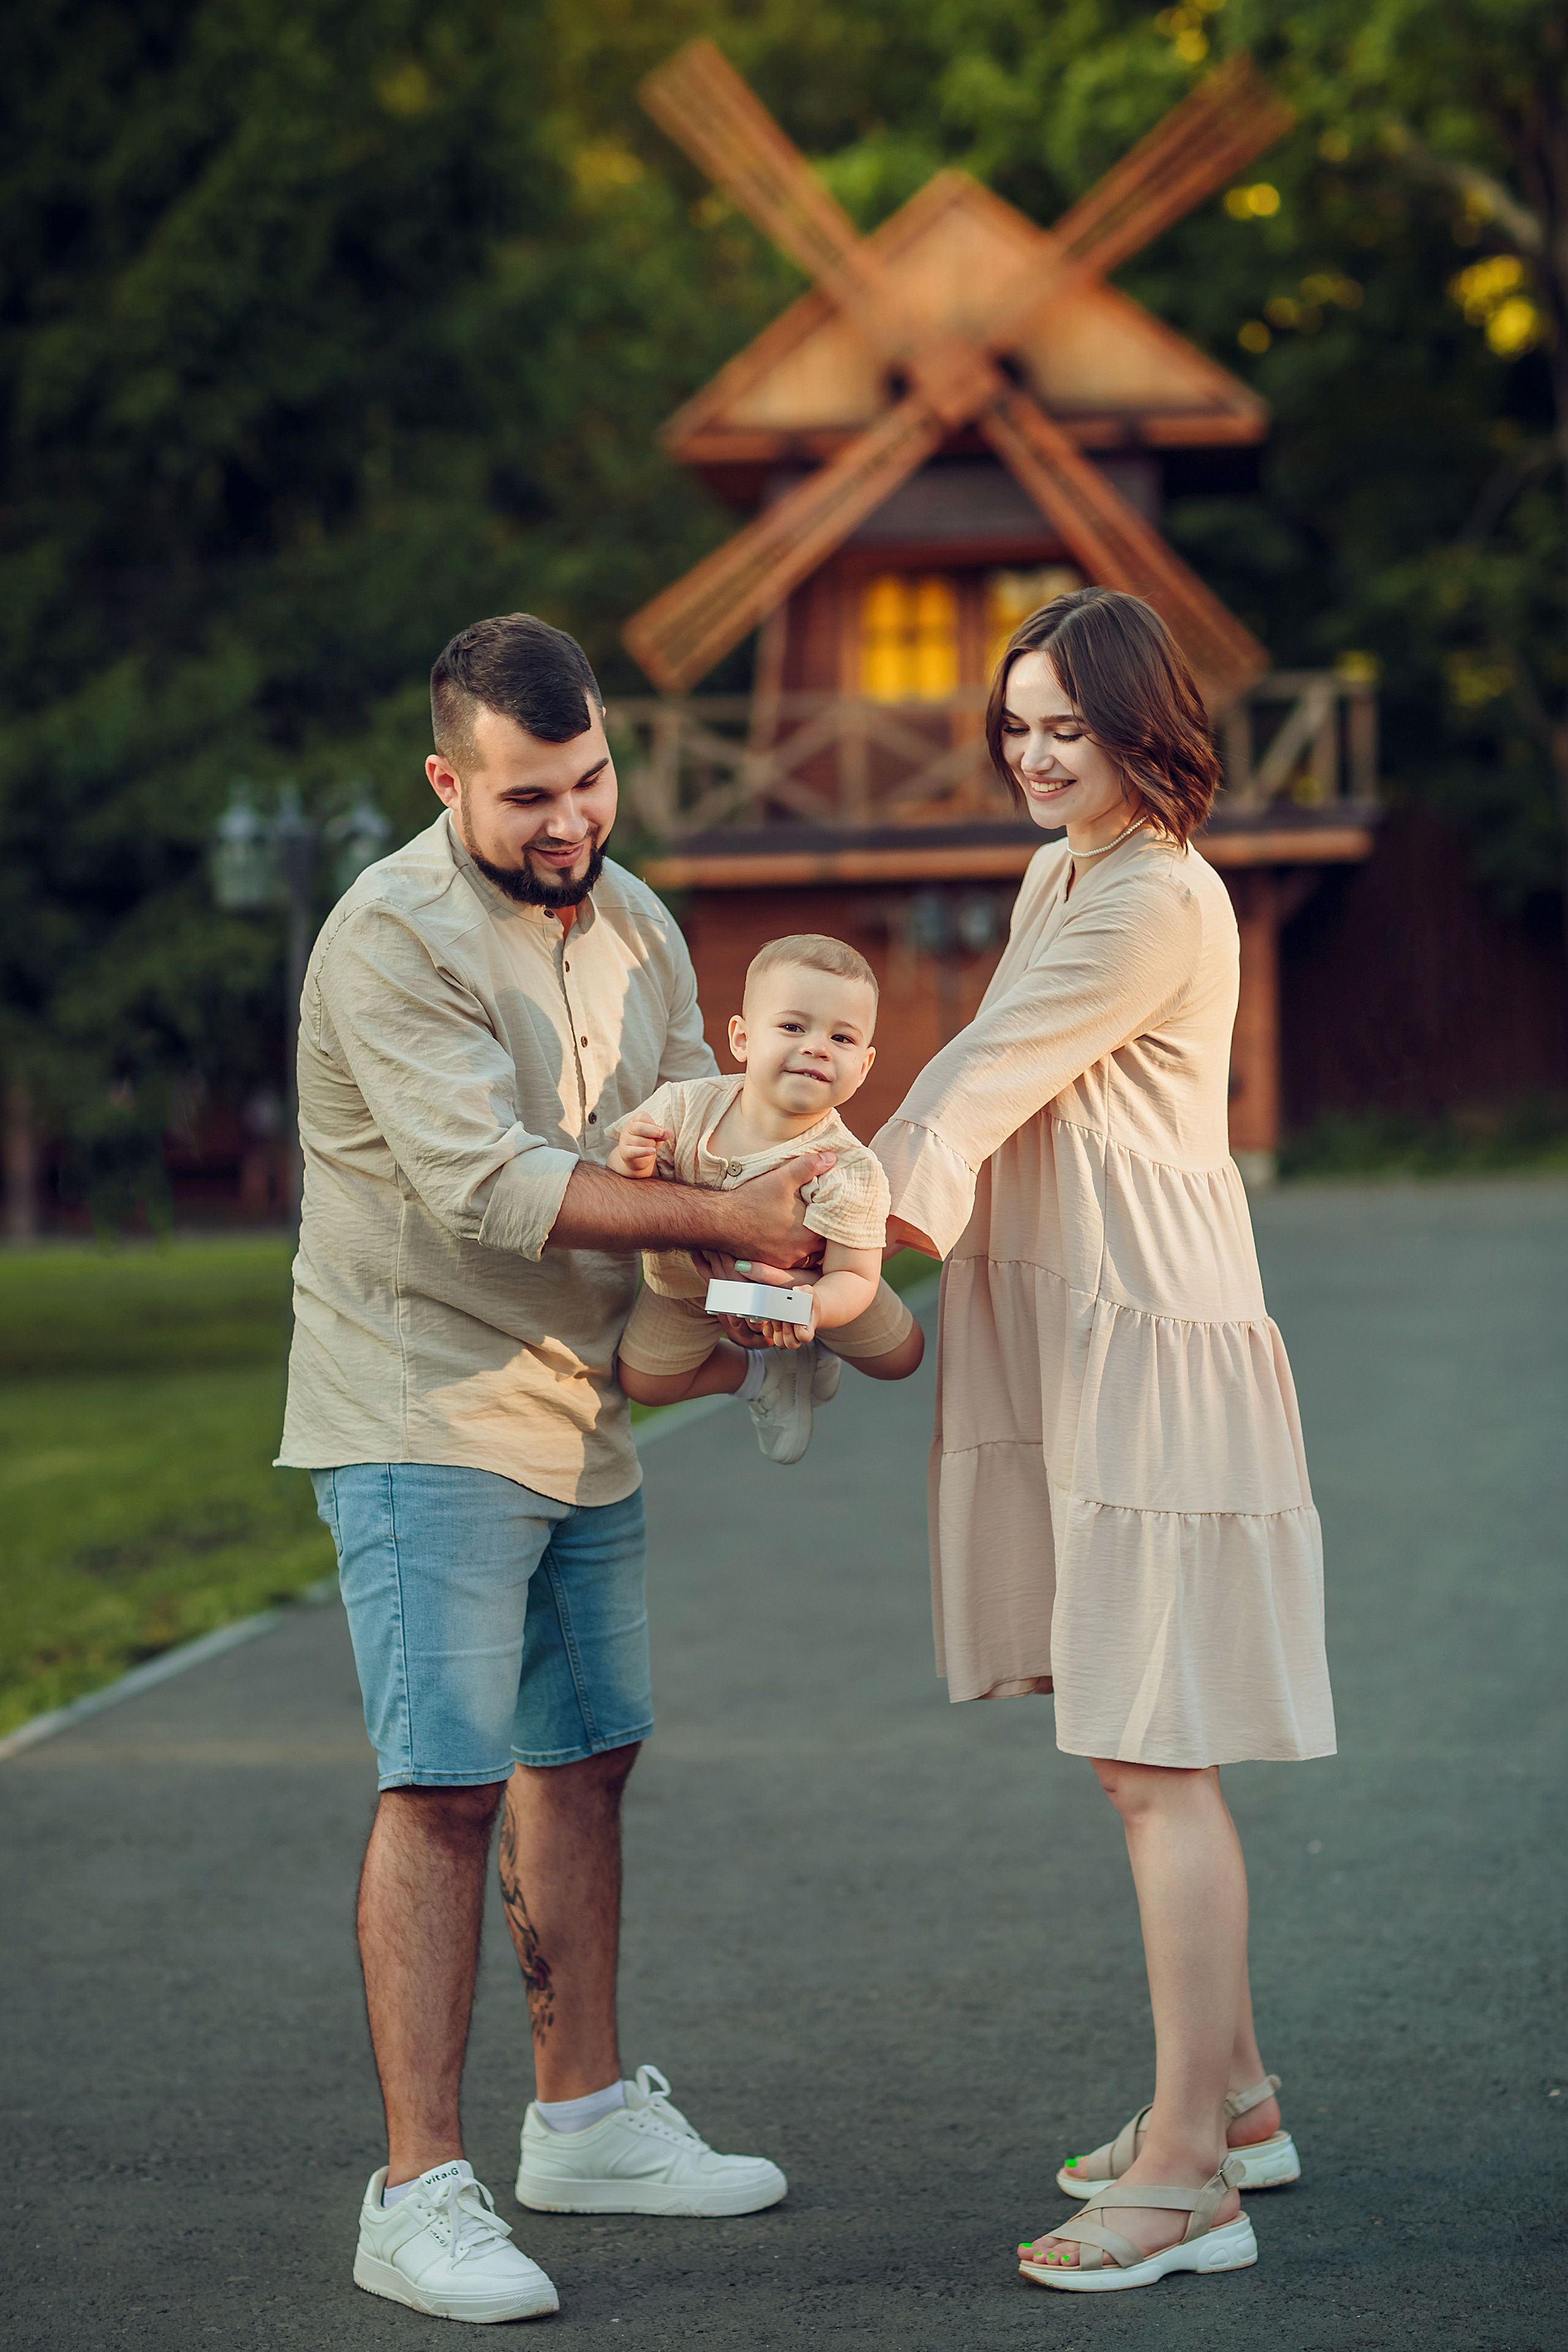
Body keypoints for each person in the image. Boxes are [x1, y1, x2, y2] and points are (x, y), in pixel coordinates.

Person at [277, 612, 903, 2325]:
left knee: (589, 1755)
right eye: (530, 795)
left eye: (592, 780)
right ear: (446, 780)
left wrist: (775, 1233)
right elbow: (493, 1187)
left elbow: (694, 1114)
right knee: (446, 1782)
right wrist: (725, 1216)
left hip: (583, 1408)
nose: (570, 822)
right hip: (424, 1406)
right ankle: (415, 2193)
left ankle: (588, 2121)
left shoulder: (633, 917)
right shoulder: (388, 938)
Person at [872, 587, 1336, 2296]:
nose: (1034, 756)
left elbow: (984, 1076)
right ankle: (1246, 2098)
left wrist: (832, 1231)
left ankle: (1187, 2172)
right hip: (1092, 1328)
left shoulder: (1153, 895)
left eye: (1068, 726)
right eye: (1017, 727)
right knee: (1142, 1735)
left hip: (1156, 1336)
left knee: (1156, 1758)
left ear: (1147, 728)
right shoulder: (1063, 871)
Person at [610, 933, 924, 1463]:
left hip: (805, 1291)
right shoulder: (683, 1108)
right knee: (646, 1383)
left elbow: (855, 1275)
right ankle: (761, 1375)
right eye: (793, 1026)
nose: (818, 1047)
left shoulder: (846, 1166)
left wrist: (814, 1307)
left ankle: (811, 1348)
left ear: (865, 1067)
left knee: (901, 1357)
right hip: (692, 1289)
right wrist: (632, 1162)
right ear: (742, 1038)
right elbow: (629, 1197)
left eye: (842, 1039)